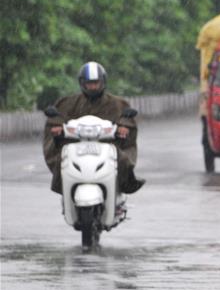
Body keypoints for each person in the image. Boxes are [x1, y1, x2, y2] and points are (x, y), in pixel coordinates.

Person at [43, 62, 144, 195]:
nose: (93, 87)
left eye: (96, 83)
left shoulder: (118, 103)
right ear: (82, 83)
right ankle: (66, 190)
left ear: (103, 82)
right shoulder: (67, 103)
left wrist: (123, 128)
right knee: (61, 160)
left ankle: (122, 186)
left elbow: (126, 121)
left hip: (107, 146)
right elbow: (57, 119)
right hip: (77, 146)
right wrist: (57, 129)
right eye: (89, 83)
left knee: (123, 160)